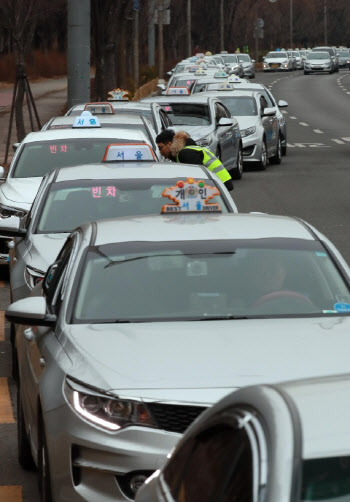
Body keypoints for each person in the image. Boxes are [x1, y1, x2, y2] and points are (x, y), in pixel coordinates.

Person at [156, 130, 233, 191]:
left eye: (160, 148)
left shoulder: (185, 153)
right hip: (218, 184)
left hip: (218, 185)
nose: (160, 152)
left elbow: (197, 179)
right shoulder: (188, 150)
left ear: (169, 144)